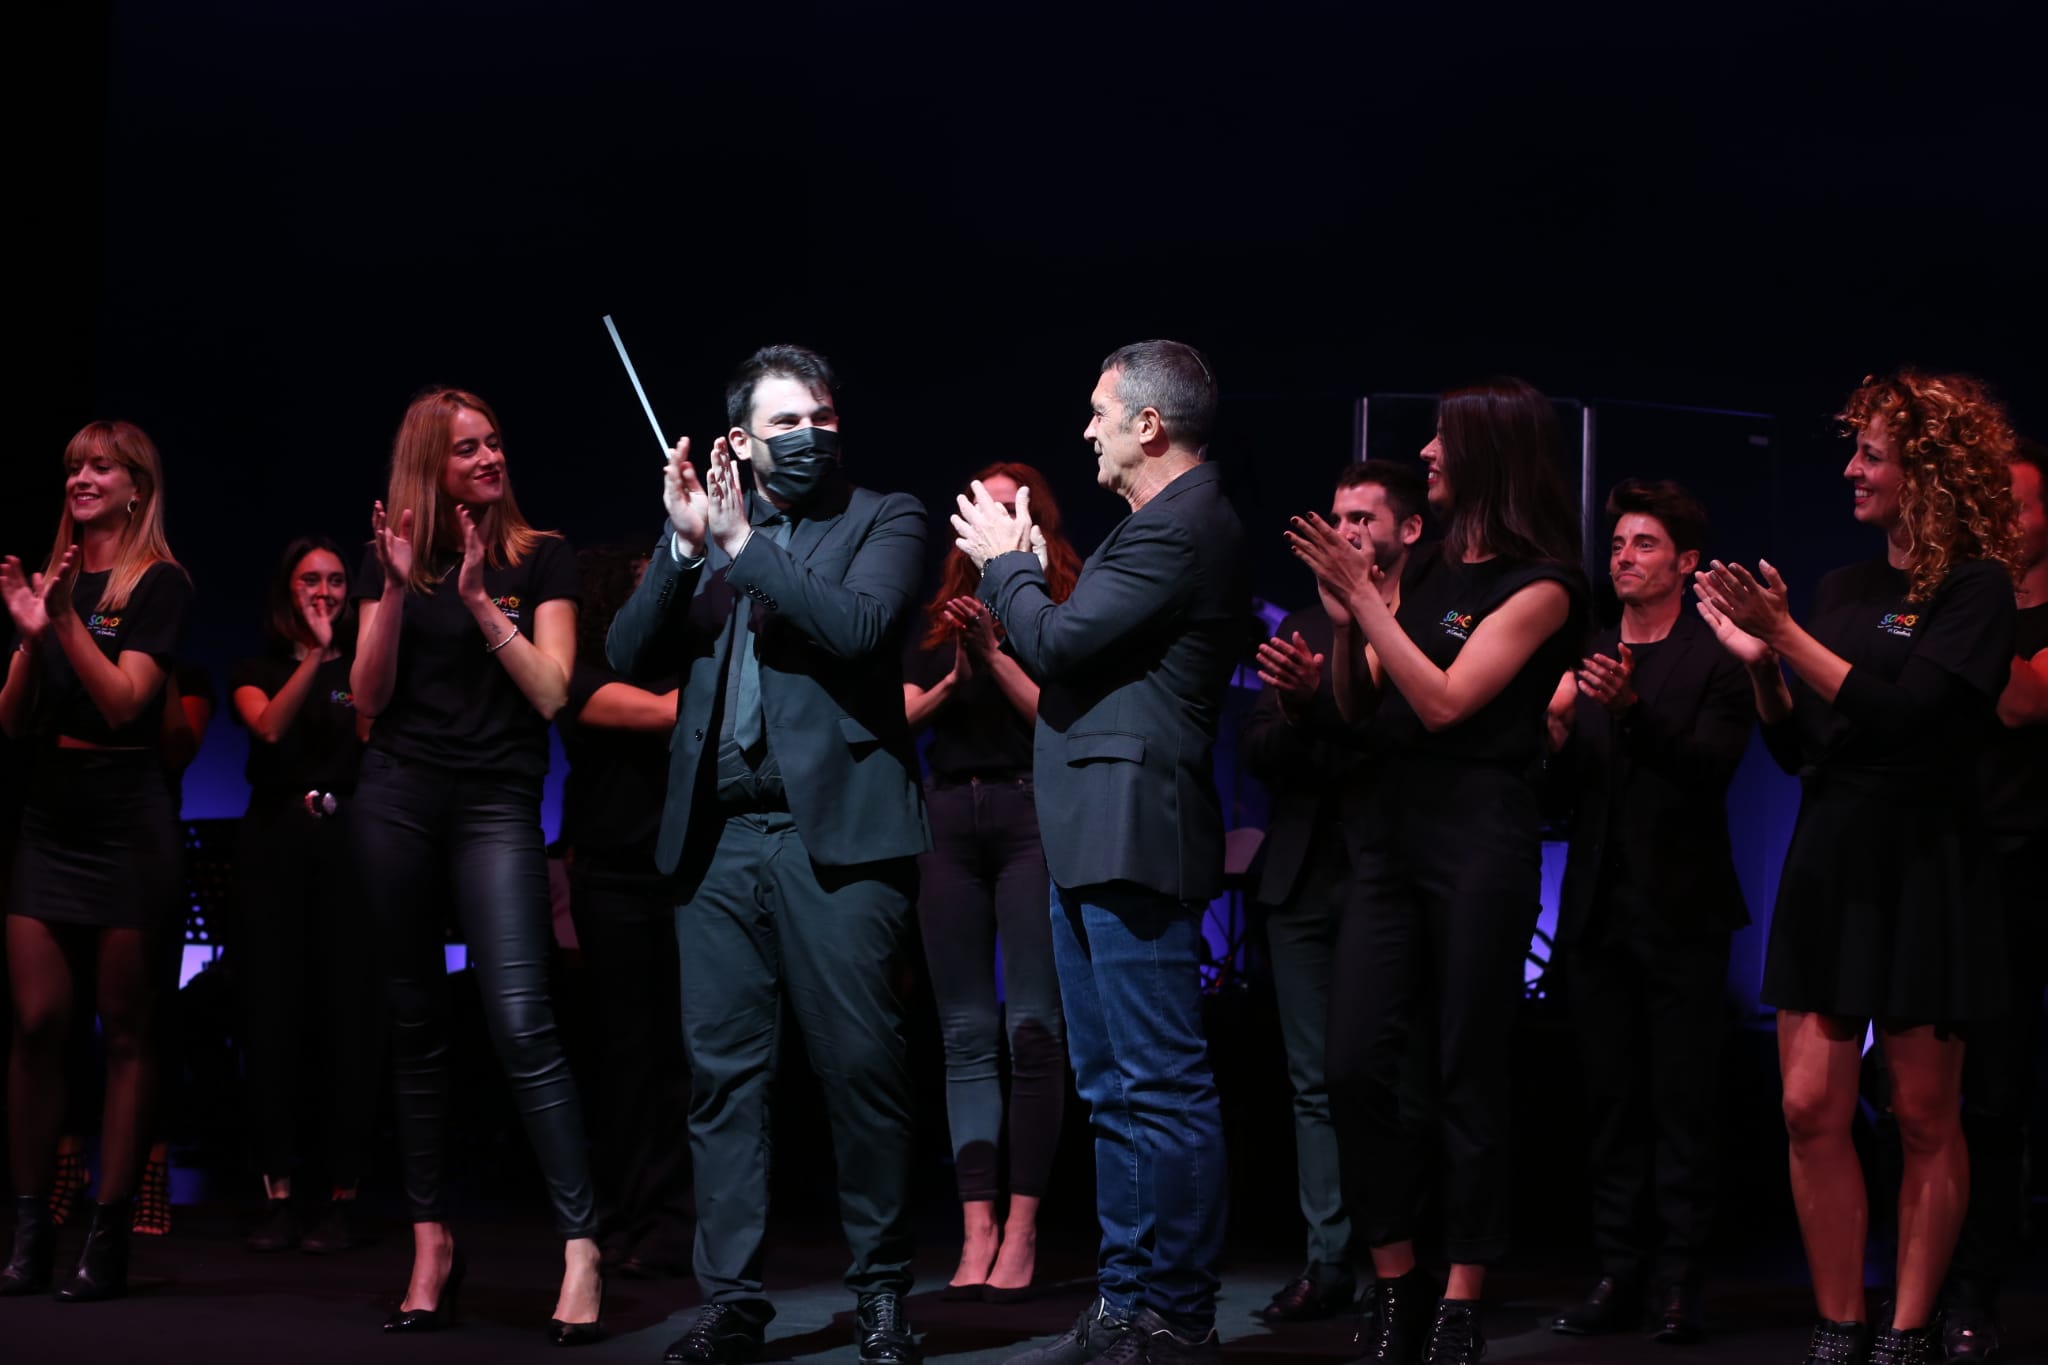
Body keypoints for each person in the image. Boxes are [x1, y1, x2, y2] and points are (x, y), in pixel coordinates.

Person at [606, 345, 929, 1365]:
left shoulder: (885, 517)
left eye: (822, 418)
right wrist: (683, 546)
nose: (810, 437)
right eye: (785, 424)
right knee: (722, 1081)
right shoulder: (710, 535)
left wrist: (744, 542)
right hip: (719, 839)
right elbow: (625, 654)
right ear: (739, 441)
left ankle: (880, 1291)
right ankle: (731, 1301)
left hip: (834, 835)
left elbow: (859, 626)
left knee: (861, 1071)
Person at [1693, 369, 2020, 1365]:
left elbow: (1912, 724)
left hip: (1925, 864)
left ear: (1924, 467)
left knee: (1921, 1111)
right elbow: (1806, 752)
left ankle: (1908, 1328)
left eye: (1869, 453)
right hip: (1831, 857)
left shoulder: (1976, 588)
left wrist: (1783, 636)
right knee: (1805, 1107)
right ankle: (1838, 1322)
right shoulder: (1840, 591)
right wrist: (1760, 669)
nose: (1849, 469)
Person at [953, 339, 1246, 1365]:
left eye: (1096, 412)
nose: (1084, 429)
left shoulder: (1183, 522)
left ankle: (1174, 1310)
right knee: (1109, 1084)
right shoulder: (1149, 528)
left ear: (1146, 425)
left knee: (1156, 1081)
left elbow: (1062, 645)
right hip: (1093, 826)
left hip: (1134, 828)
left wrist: (1007, 566)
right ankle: (1128, 1299)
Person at [1289, 377, 1586, 1365]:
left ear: (1488, 455)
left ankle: (1460, 1295)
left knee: (1464, 1070)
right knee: (1348, 1064)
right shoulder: (1425, 576)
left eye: (1440, 442)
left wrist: (1371, 607)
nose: (1422, 455)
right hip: (1386, 839)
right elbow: (1356, 702)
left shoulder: (1542, 583)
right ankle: (1393, 1278)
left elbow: (1447, 703)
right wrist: (1351, 611)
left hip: (1477, 839)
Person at [349, 386, 604, 1344]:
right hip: (399, 794)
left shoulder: (542, 557)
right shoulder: (393, 561)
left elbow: (549, 692)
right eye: (467, 449)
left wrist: (472, 603)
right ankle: (429, 1244)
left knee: (522, 1019)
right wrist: (391, 589)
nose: (490, 458)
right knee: (415, 1023)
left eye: (495, 442)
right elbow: (368, 699)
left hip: (497, 801)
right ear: (430, 465)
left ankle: (581, 1244)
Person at [1544, 479, 1753, 1344]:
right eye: (1620, 543)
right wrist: (1552, 740)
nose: (1624, 558)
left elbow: (1708, 770)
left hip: (1683, 913)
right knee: (1611, 1103)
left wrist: (1628, 713)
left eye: (1646, 545)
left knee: (1681, 1104)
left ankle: (1679, 1281)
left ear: (1686, 563)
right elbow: (1564, 795)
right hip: (1598, 913)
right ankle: (1617, 1271)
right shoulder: (1587, 649)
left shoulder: (1716, 657)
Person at [0, 420, 192, 1301]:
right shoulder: (57, 577)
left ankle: (108, 1233)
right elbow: (11, 719)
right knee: (39, 1022)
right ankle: (30, 1225)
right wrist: (36, 630)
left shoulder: (159, 584)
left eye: (100, 466)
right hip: (49, 816)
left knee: (127, 1030)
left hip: (127, 818)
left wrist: (69, 620)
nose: (81, 476)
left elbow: (123, 705)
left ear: (135, 488)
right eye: (73, 464)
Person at [1238, 459, 1425, 1326]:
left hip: (1391, 871)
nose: (1348, 532)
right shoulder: (1304, 623)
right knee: (1312, 1080)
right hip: (1302, 875)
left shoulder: (1422, 624)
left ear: (1406, 531)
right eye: (1339, 518)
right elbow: (1261, 754)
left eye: (1364, 519)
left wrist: (1321, 705)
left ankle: (1409, 1262)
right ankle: (1328, 1259)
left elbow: (1398, 746)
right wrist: (1298, 704)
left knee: (1388, 1077)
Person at [904, 462, 1078, 1303]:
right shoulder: (936, 614)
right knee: (966, 1030)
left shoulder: (1059, 599)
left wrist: (999, 650)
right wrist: (959, 662)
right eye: (976, 502)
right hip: (946, 817)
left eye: (1006, 504)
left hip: (1029, 812)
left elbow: (1060, 715)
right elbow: (898, 712)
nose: (988, 514)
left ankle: (1022, 1222)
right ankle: (974, 1226)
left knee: (1035, 1026)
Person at [230, 535, 376, 1255]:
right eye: (310, 579)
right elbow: (269, 726)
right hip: (274, 849)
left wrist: (343, 658)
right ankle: (279, 1196)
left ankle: (344, 1196)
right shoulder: (255, 668)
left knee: (348, 1018)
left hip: (347, 847)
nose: (325, 590)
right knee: (274, 1017)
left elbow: (371, 729)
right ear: (287, 591)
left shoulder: (365, 670)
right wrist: (317, 656)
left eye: (337, 579)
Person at [554, 544, 692, 1281]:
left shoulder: (685, 659)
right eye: (644, 581)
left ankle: (671, 1222)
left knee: (682, 1060)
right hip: (610, 878)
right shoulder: (581, 673)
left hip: (683, 876)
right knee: (622, 1060)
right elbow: (667, 715)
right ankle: (618, 1215)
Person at [1943, 436, 2048, 1364]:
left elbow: (2022, 704)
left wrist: (1958, 622)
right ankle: (1922, 1280)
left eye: (2016, 505)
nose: (2001, 523)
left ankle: (1978, 1287)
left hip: (2025, 869)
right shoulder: (1958, 600)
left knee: (1998, 1092)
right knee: (1919, 1094)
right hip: (1941, 860)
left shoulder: (2000, 612)